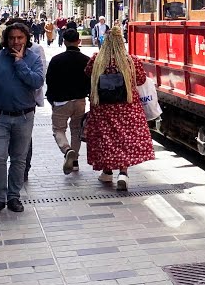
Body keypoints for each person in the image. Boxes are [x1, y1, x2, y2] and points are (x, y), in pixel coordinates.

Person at [0, 22, 44, 216]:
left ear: (26, 39)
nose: (16, 41)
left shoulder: (33, 58)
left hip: (24, 117)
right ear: (6, 40)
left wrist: (20, 62)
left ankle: (13, 196)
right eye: (12, 38)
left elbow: (37, 81)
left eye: (20, 38)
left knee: (19, 159)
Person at [83, 25, 153, 191]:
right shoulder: (131, 61)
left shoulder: (97, 60)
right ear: (121, 43)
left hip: (103, 108)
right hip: (127, 107)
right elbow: (142, 80)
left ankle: (107, 172)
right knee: (125, 139)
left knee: (106, 139)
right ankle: (123, 173)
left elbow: (87, 73)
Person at [47, 28, 91, 175]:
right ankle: (76, 162)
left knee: (58, 130)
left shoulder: (56, 60)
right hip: (79, 100)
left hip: (61, 101)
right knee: (76, 130)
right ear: (79, 41)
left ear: (64, 41)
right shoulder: (86, 60)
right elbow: (90, 81)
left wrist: (51, 99)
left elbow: (50, 81)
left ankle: (67, 150)